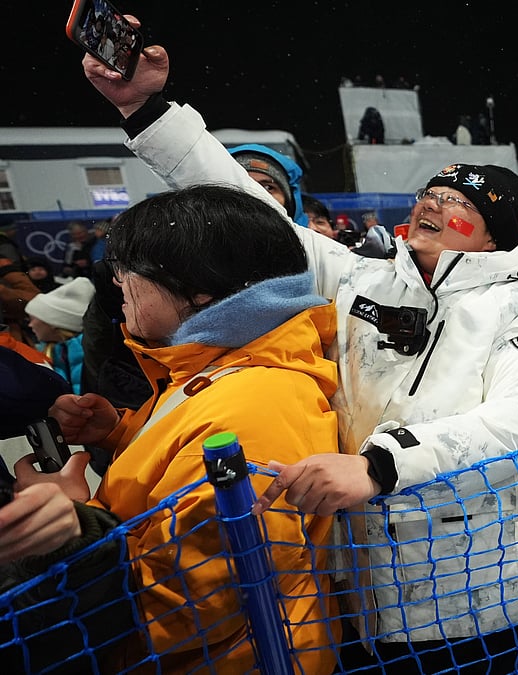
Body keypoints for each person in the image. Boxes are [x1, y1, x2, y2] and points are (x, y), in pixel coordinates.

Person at [83, 32, 518, 673]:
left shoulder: (517, 310)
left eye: (460, 202)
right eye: (432, 191)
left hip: (484, 594)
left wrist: (381, 466)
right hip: (366, 588)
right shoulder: (363, 276)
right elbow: (247, 216)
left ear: (494, 235)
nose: (434, 202)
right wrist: (146, 110)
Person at [2, 184, 340, 674]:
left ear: (201, 290)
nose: (117, 282)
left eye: (130, 271)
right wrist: (121, 432)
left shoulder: (255, 405)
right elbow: (183, 464)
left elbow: (192, 603)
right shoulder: (216, 369)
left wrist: (71, 524)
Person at [25, 277, 95, 395]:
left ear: (53, 322)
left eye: (33, 318)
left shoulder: (88, 353)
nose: (30, 325)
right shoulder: (53, 351)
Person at [229, 143, 308, 226]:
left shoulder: (306, 235)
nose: (255, 194)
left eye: (268, 188)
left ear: (289, 203)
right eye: (243, 185)